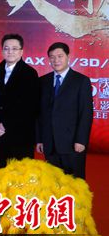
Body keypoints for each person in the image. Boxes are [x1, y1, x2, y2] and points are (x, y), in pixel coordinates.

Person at [36, 42, 93, 179]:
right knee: (53, 182)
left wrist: (81, 140)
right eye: (52, 57)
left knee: (74, 182)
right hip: (50, 143)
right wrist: (39, 139)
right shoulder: (42, 81)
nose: (56, 60)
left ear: (68, 57)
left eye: (60, 56)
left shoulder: (81, 81)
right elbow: (39, 113)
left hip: (72, 143)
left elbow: (86, 113)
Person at [0, 34, 40, 168]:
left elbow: (30, 107)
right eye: (6, 48)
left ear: (21, 51)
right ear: (2, 51)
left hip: (21, 135)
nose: (10, 52)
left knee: (21, 173)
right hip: (0, 133)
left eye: (14, 48)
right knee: (2, 172)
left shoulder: (30, 73)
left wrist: (6, 126)